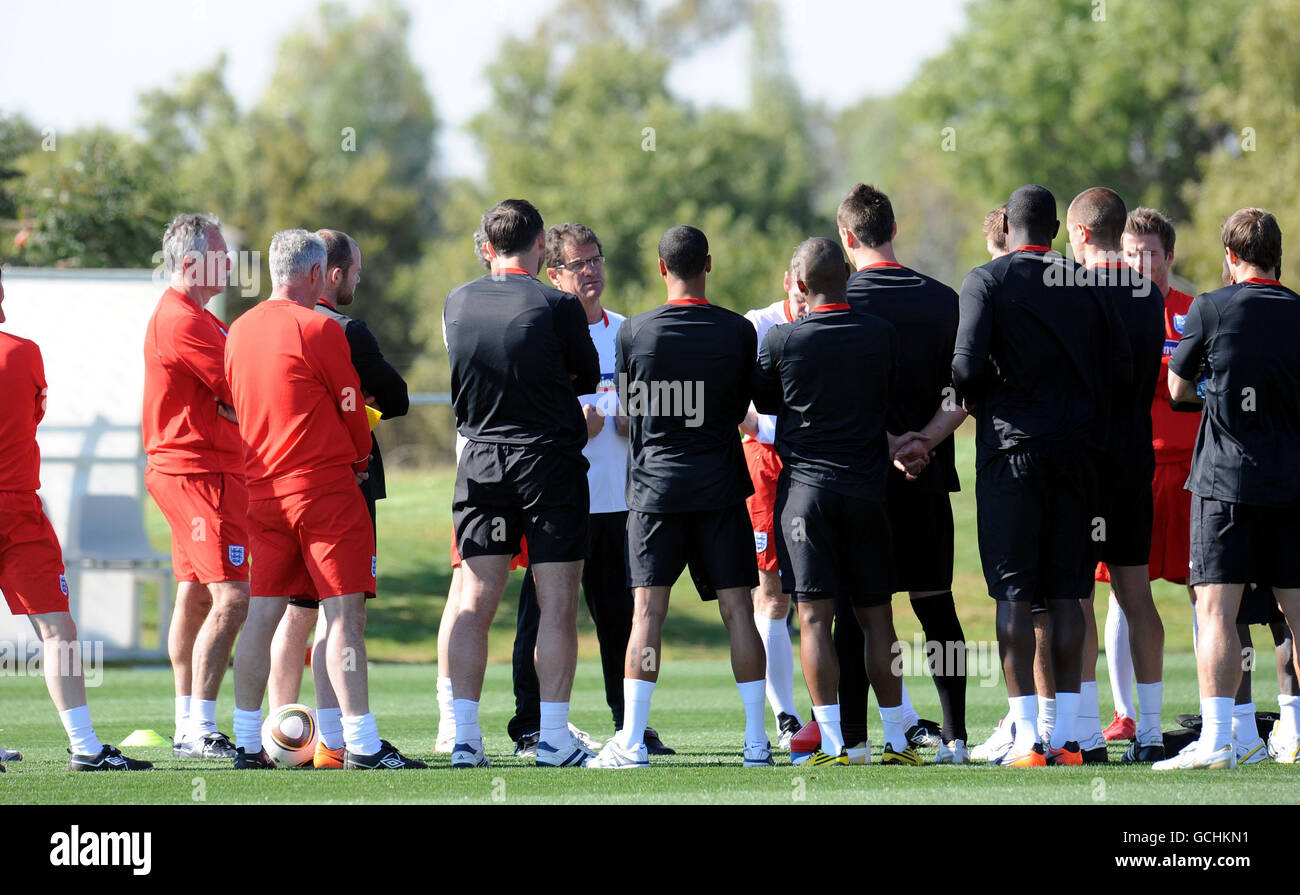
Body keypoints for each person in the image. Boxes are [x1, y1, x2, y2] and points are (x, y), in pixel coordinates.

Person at [225, 229, 423, 770]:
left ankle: (247, 742)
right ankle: (359, 742)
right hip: (322, 489)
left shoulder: (238, 331)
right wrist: (359, 459)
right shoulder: (319, 327)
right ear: (316, 273)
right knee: (344, 616)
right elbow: (352, 410)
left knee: (263, 616)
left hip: (261, 490)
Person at [954, 184, 1130, 767]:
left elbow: (965, 368)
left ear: (1009, 225)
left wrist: (986, 407)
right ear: (1055, 230)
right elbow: (1120, 371)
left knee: (1013, 593)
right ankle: (1075, 736)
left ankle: (1029, 735)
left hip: (1011, 454)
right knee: (1069, 592)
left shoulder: (987, 280)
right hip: (1077, 457)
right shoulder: (1089, 283)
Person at [587, 225, 769, 769]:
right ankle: (757, 743)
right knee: (741, 611)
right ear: (707, 265)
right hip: (719, 486)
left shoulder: (634, 332)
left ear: (661, 268)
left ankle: (632, 742)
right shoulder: (739, 331)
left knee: (647, 614)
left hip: (656, 489)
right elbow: (740, 408)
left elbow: (632, 412)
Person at [753, 236, 928, 766]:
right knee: (879, 619)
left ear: (799, 286)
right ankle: (897, 738)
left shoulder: (781, 340)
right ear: (848, 278)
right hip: (866, 491)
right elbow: (889, 396)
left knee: (812, 619)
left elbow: (764, 405)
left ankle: (833, 742)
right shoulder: (881, 334)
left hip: (805, 497)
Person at [506, 223, 674, 757]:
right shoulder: (543, 329)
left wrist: (636, 419)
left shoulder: (628, 331)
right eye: (579, 264)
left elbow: (654, 408)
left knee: (622, 620)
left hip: (622, 503)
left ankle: (630, 724)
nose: (592, 271)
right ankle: (531, 724)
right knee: (541, 615)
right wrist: (576, 424)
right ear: (553, 274)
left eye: (596, 259)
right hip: (556, 500)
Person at [442, 199, 599, 768]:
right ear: (538, 246)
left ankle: (464, 738)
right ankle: (553, 738)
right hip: (545, 459)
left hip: (480, 458)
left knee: (474, 601)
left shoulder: (457, 300)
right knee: (556, 604)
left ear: (489, 244)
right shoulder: (556, 304)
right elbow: (584, 375)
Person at [1158, 207, 1300, 770]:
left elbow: (1176, 389)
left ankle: (1221, 739)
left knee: (1217, 609)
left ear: (1230, 258)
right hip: (1293, 484)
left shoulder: (1210, 308)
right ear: (1277, 257)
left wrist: (1216, 394)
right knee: (1297, 611)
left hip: (1227, 483)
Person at [840, 183, 971, 764]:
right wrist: (926, 440)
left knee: (860, 613)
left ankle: (855, 739)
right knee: (936, 605)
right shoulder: (945, 299)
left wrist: (889, 440)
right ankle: (957, 737)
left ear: (847, 237)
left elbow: (834, 400)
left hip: (861, 480)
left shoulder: (839, 300)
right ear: (893, 230)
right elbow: (966, 388)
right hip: (928, 474)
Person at [0, 267, 151, 771]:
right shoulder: (22, 352)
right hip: (17, 506)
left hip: (18, 504)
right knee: (57, 629)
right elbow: (33, 413)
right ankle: (85, 745)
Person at [142, 212, 249, 759]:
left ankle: (185, 717)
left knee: (194, 595)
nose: (230, 263)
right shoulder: (183, 319)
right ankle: (197, 728)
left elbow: (231, 397)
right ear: (190, 263)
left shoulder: (198, 316)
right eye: (219, 254)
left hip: (196, 468)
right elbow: (240, 395)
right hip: (196, 472)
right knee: (233, 596)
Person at [1065, 188, 1167, 764]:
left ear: (1079, 232)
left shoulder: (1073, 291)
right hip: (1134, 457)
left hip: (1083, 459)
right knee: (1136, 595)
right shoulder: (1147, 292)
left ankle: (1084, 736)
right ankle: (1149, 734)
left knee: (1078, 595)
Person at [739, 256, 809, 749]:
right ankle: (785, 715)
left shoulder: (832, 319)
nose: (805, 297)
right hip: (766, 461)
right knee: (774, 591)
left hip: (818, 462)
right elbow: (737, 402)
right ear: (786, 283)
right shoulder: (759, 325)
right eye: (798, 289)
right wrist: (774, 429)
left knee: (827, 593)